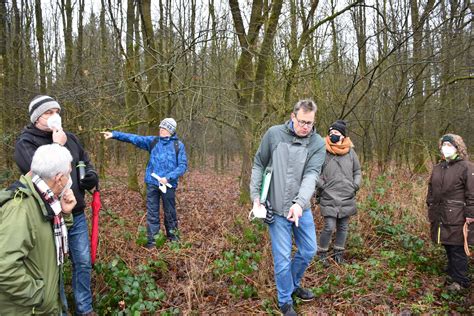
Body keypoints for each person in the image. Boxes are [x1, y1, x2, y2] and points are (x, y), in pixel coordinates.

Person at [14, 95, 98, 316]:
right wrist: (55, 145)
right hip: (47, 216)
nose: (54, 116)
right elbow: (36, 174)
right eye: (48, 113)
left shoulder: (70, 137)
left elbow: (84, 161)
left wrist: (90, 175)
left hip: (76, 212)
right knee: (54, 267)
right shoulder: (26, 143)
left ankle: (85, 308)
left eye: (57, 111)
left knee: (82, 262)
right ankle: (59, 309)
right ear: (37, 118)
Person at [250, 99, 326, 316]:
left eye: (309, 123)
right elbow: (258, 164)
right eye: (302, 121)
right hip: (276, 210)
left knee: (309, 249)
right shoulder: (274, 135)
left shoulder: (317, 143)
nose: (305, 127)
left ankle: (291, 285)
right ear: (293, 117)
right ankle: (285, 300)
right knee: (282, 257)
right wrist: (256, 196)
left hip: (301, 209)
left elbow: (312, 175)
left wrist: (300, 203)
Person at [0, 144, 76, 314]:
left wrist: (65, 213)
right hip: (28, 309)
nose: (70, 178)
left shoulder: (44, 199)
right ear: (59, 178)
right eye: (69, 173)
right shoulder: (21, 210)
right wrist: (38, 295)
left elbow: (46, 238)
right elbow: (4, 267)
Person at [102, 118, 188, 246]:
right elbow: (134, 138)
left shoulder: (178, 146)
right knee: (152, 213)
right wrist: (114, 134)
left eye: (163, 129)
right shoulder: (153, 141)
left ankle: (173, 240)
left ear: (170, 131)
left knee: (170, 212)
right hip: (152, 183)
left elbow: (182, 166)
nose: (161, 130)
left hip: (168, 185)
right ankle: (153, 241)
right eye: (160, 128)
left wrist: (168, 177)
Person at [426, 134, 473, 293]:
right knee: (447, 244)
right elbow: (431, 189)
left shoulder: (467, 167)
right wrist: (430, 204)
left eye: (449, 145)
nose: (446, 148)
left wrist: (471, 213)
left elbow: (472, 193)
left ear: (457, 147)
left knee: (457, 248)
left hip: (457, 215)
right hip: (440, 213)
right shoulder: (438, 167)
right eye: (443, 145)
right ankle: (453, 271)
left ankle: (461, 280)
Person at [316, 120, 361, 267]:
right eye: (331, 133)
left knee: (343, 227)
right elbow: (315, 171)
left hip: (347, 195)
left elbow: (357, 171)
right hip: (328, 195)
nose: (332, 135)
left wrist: (355, 185)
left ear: (343, 136)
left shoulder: (351, 152)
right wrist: (322, 186)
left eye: (336, 133)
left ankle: (338, 254)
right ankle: (322, 253)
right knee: (329, 226)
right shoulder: (323, 150)